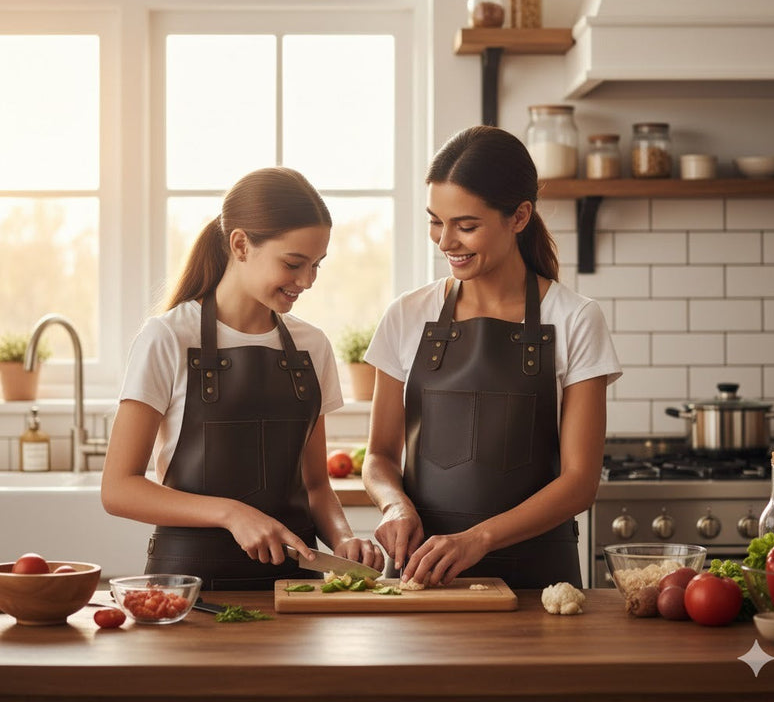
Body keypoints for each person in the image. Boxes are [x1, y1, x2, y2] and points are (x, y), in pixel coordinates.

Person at [362, 126, 621, 590]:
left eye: (466, 225)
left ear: (519, 217)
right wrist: (394, 505)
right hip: (425, 576)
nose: (445, 242)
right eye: (435, 221)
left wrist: (477, 539)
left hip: (538, 581)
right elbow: (379, 456)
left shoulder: (576, 318)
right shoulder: (406, 315)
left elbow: (581, 481)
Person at [102, 167, 384, 589]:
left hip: (296, 585)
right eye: (293, 264)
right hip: (188, 587)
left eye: (316, 265)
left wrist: (343, 539)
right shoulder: (168, 337)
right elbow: (118, 489)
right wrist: (232, 513)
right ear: (240, 244)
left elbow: (316, 485)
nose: (306, 281)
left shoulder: (313, 346)